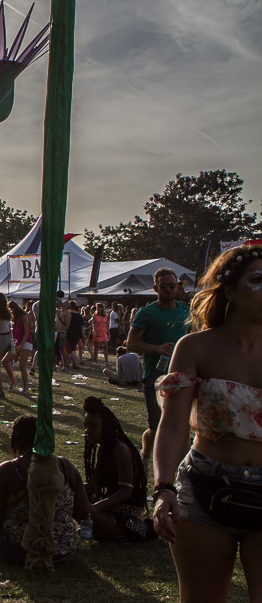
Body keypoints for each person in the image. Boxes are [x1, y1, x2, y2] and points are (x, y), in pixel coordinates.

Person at [152, 245, 262, 602]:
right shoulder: (195, 348)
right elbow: (172, 425)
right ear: (229, 291)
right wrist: (163, 488)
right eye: (257, 280)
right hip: (204, 488)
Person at [0, 415, 90, 566]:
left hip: (22, 549)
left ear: (15, 440)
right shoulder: (65, 465)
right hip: (64, 550)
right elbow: (84, 513)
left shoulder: (10, 469)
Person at [127, 267, 190, 460]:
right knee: (156, 428)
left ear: (177, 286)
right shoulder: (146, 313)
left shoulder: (186, 311)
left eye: (172, 286)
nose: (169, 290)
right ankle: (146, 454)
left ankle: (181, 466)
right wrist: (157, 348)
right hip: (155, 379)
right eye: (164, 286)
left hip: (181, 377)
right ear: (156, 288)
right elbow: (131, 344)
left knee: (183, 426)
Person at [82, 396, 154, 542]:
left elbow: (125, 492)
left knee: (84, 510)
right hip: (109, 512)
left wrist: (96, 508)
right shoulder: (104, 447)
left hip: (127, 519)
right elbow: (94, 486)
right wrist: (70, 488)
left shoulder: (120, 449)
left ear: (105, 426)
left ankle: (98, 527)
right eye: (86, 426)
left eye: (93, 426)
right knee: (72, 498)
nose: (87, 431)